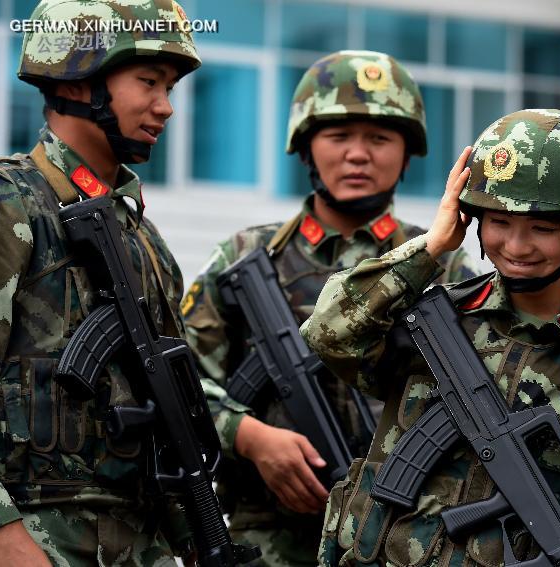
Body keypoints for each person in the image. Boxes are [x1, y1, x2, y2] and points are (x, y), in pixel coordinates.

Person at [302, 108, 560, 566]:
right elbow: (328, 331)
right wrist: (431, 246)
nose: (516, 246)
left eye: (542, 229)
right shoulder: (432, 320)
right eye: (499, 223)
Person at [181, 50, 477, 566]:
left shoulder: (441, 265)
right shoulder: (246, 258)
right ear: (306, 148)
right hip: (268, 537)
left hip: (400, 538)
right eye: (339, 137)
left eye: (379, 139)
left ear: (407, 154)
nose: (357, 155)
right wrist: (249, 436)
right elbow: (176, 379)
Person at [0, 0, 202, 564]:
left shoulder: (146, 240)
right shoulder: (9, 201)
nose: (164, 107)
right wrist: (4, 538)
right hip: (34, 536)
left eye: (170, 88)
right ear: (79, 81)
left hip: (140, 539)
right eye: (148, 81)